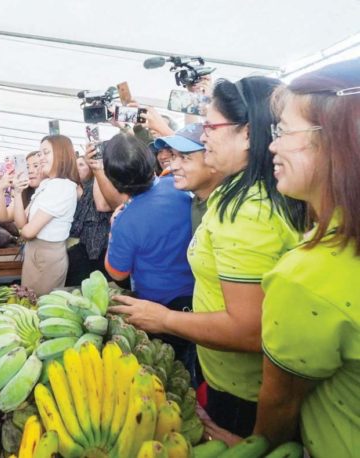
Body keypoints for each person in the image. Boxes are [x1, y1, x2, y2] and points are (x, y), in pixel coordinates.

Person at [109, 76, 307, 437]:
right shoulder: (235, 194)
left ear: (247, 134)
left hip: (247, 393)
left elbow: (249, 330)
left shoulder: (247, 212)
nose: (204, 136)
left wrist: (165, 319)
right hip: (230, 377)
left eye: (212, 126)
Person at [250, 59, 360, 457]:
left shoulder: (308, 276)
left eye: (284, 131)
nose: (272, 145)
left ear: (339, 140)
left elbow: (279, 406)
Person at [101, 134, 195, 369]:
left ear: (113, 179)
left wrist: (113, 231)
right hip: (198, 296)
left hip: (159, 309)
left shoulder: (125, 221)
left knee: (172, 365)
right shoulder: (178, 185)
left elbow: (118, 273)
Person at [14, 135, 80, 295]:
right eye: (40, 153)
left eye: (45, 153)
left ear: (61, 154)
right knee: (30, 306)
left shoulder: (62, 187)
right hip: (34, 252)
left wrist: (25, 229)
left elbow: (27, 232)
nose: (40, 157)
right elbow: (21, 224)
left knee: (39, 308)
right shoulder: (47, 184)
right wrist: (17, 193)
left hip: (47, 258)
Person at [155, 123, 226, 233]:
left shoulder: (228, 213)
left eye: (185, 157)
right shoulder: (197, 200)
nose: (173, 166)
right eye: (173, 155)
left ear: (213, 161)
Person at [65, 152, 112, 286]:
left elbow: (101, 206)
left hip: (102, 250)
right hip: (85, 249)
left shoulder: (99, 184)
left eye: (81, 165)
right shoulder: (80, 188)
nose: (77, 168)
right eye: (75, 165)